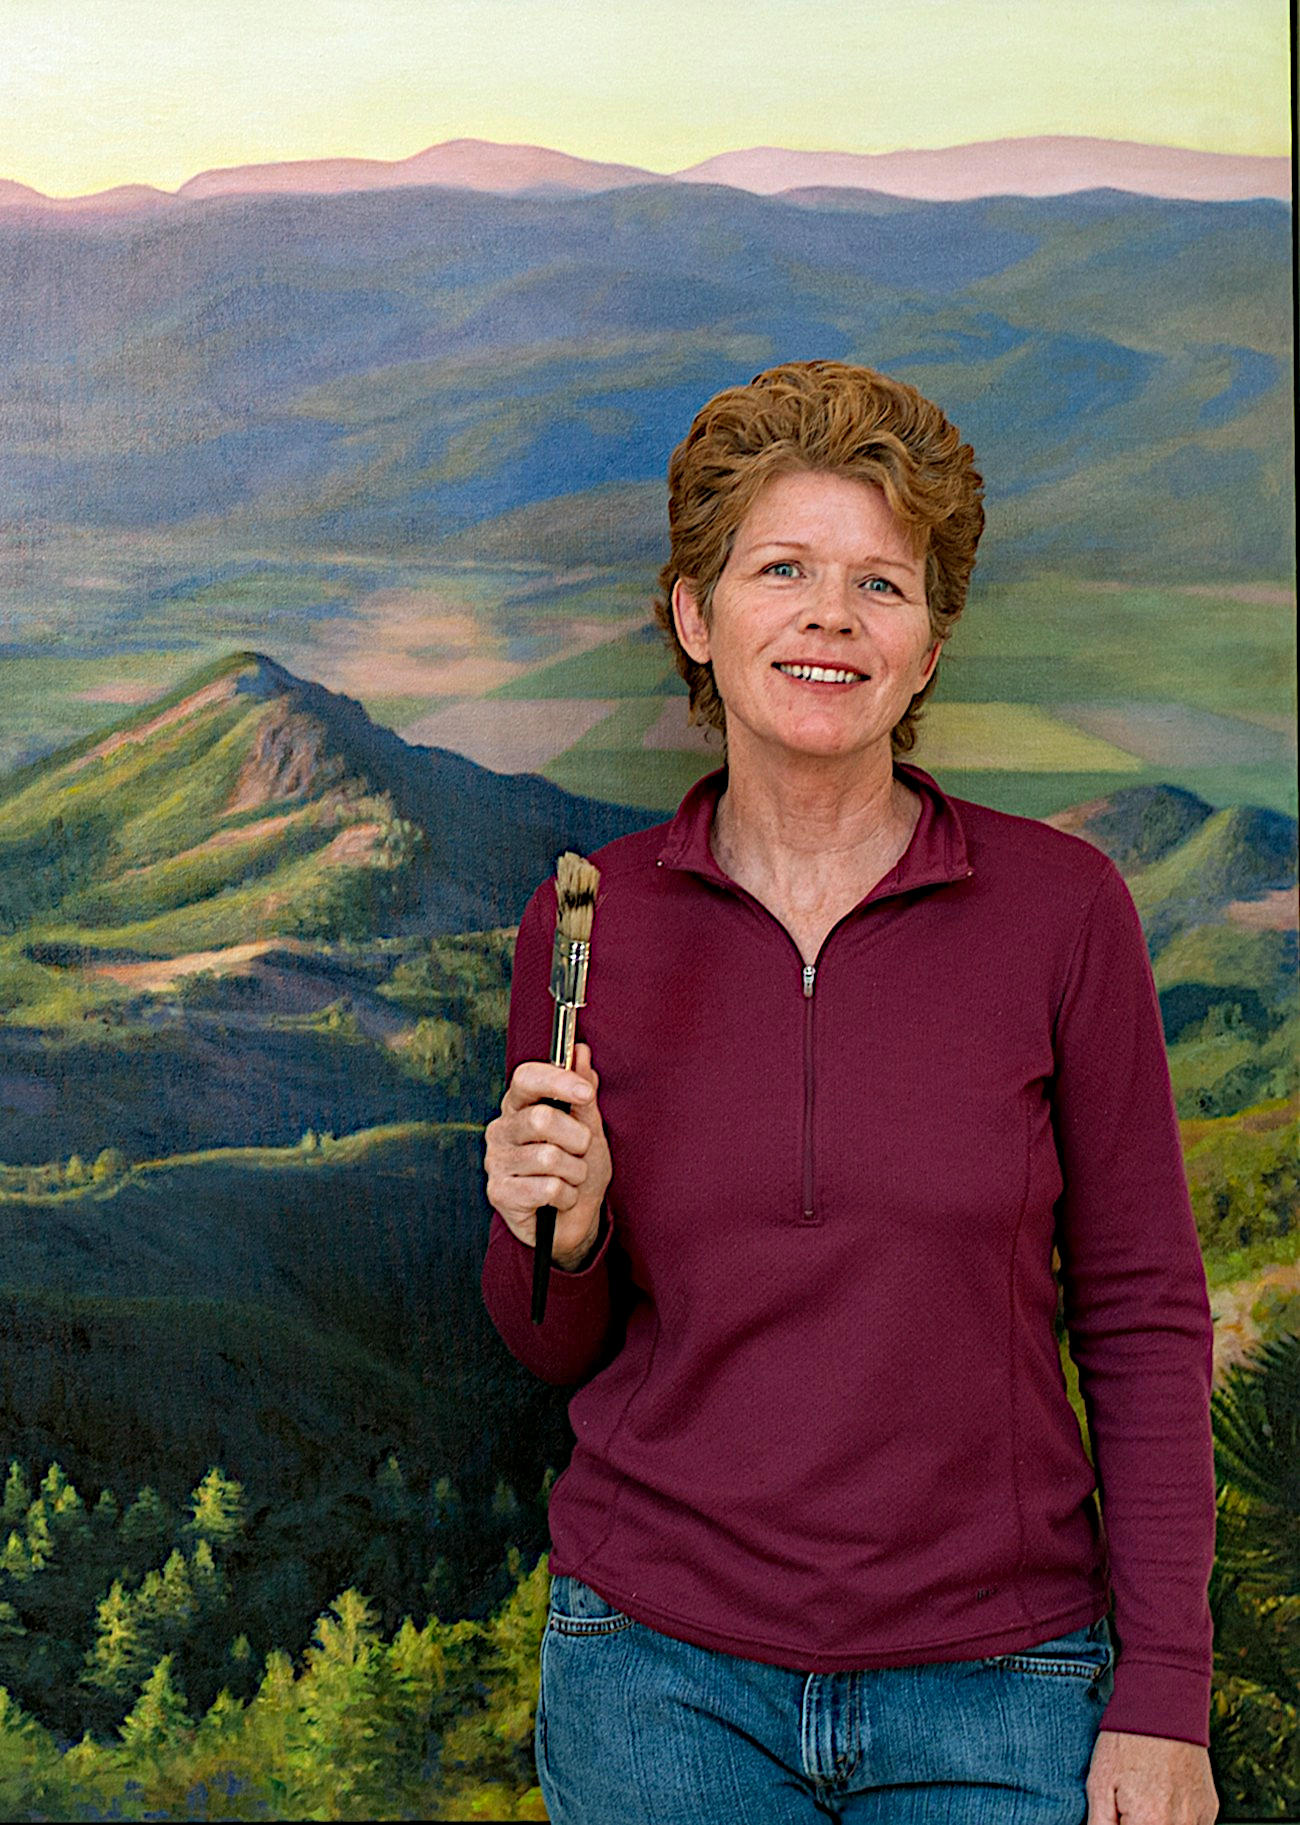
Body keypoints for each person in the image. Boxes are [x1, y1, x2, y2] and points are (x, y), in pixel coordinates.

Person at [480, 361, 1218, 1824]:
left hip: (1003, 1686)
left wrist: (1165, 1697)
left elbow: (1140, 1310)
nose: (832, 615)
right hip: (657, 1681)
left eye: (883, 582)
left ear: (930, 642)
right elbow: (552, 1346)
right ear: (699, 617)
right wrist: (546, 1226)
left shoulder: (1063, 910)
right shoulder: (589, 919)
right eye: (784, 569)